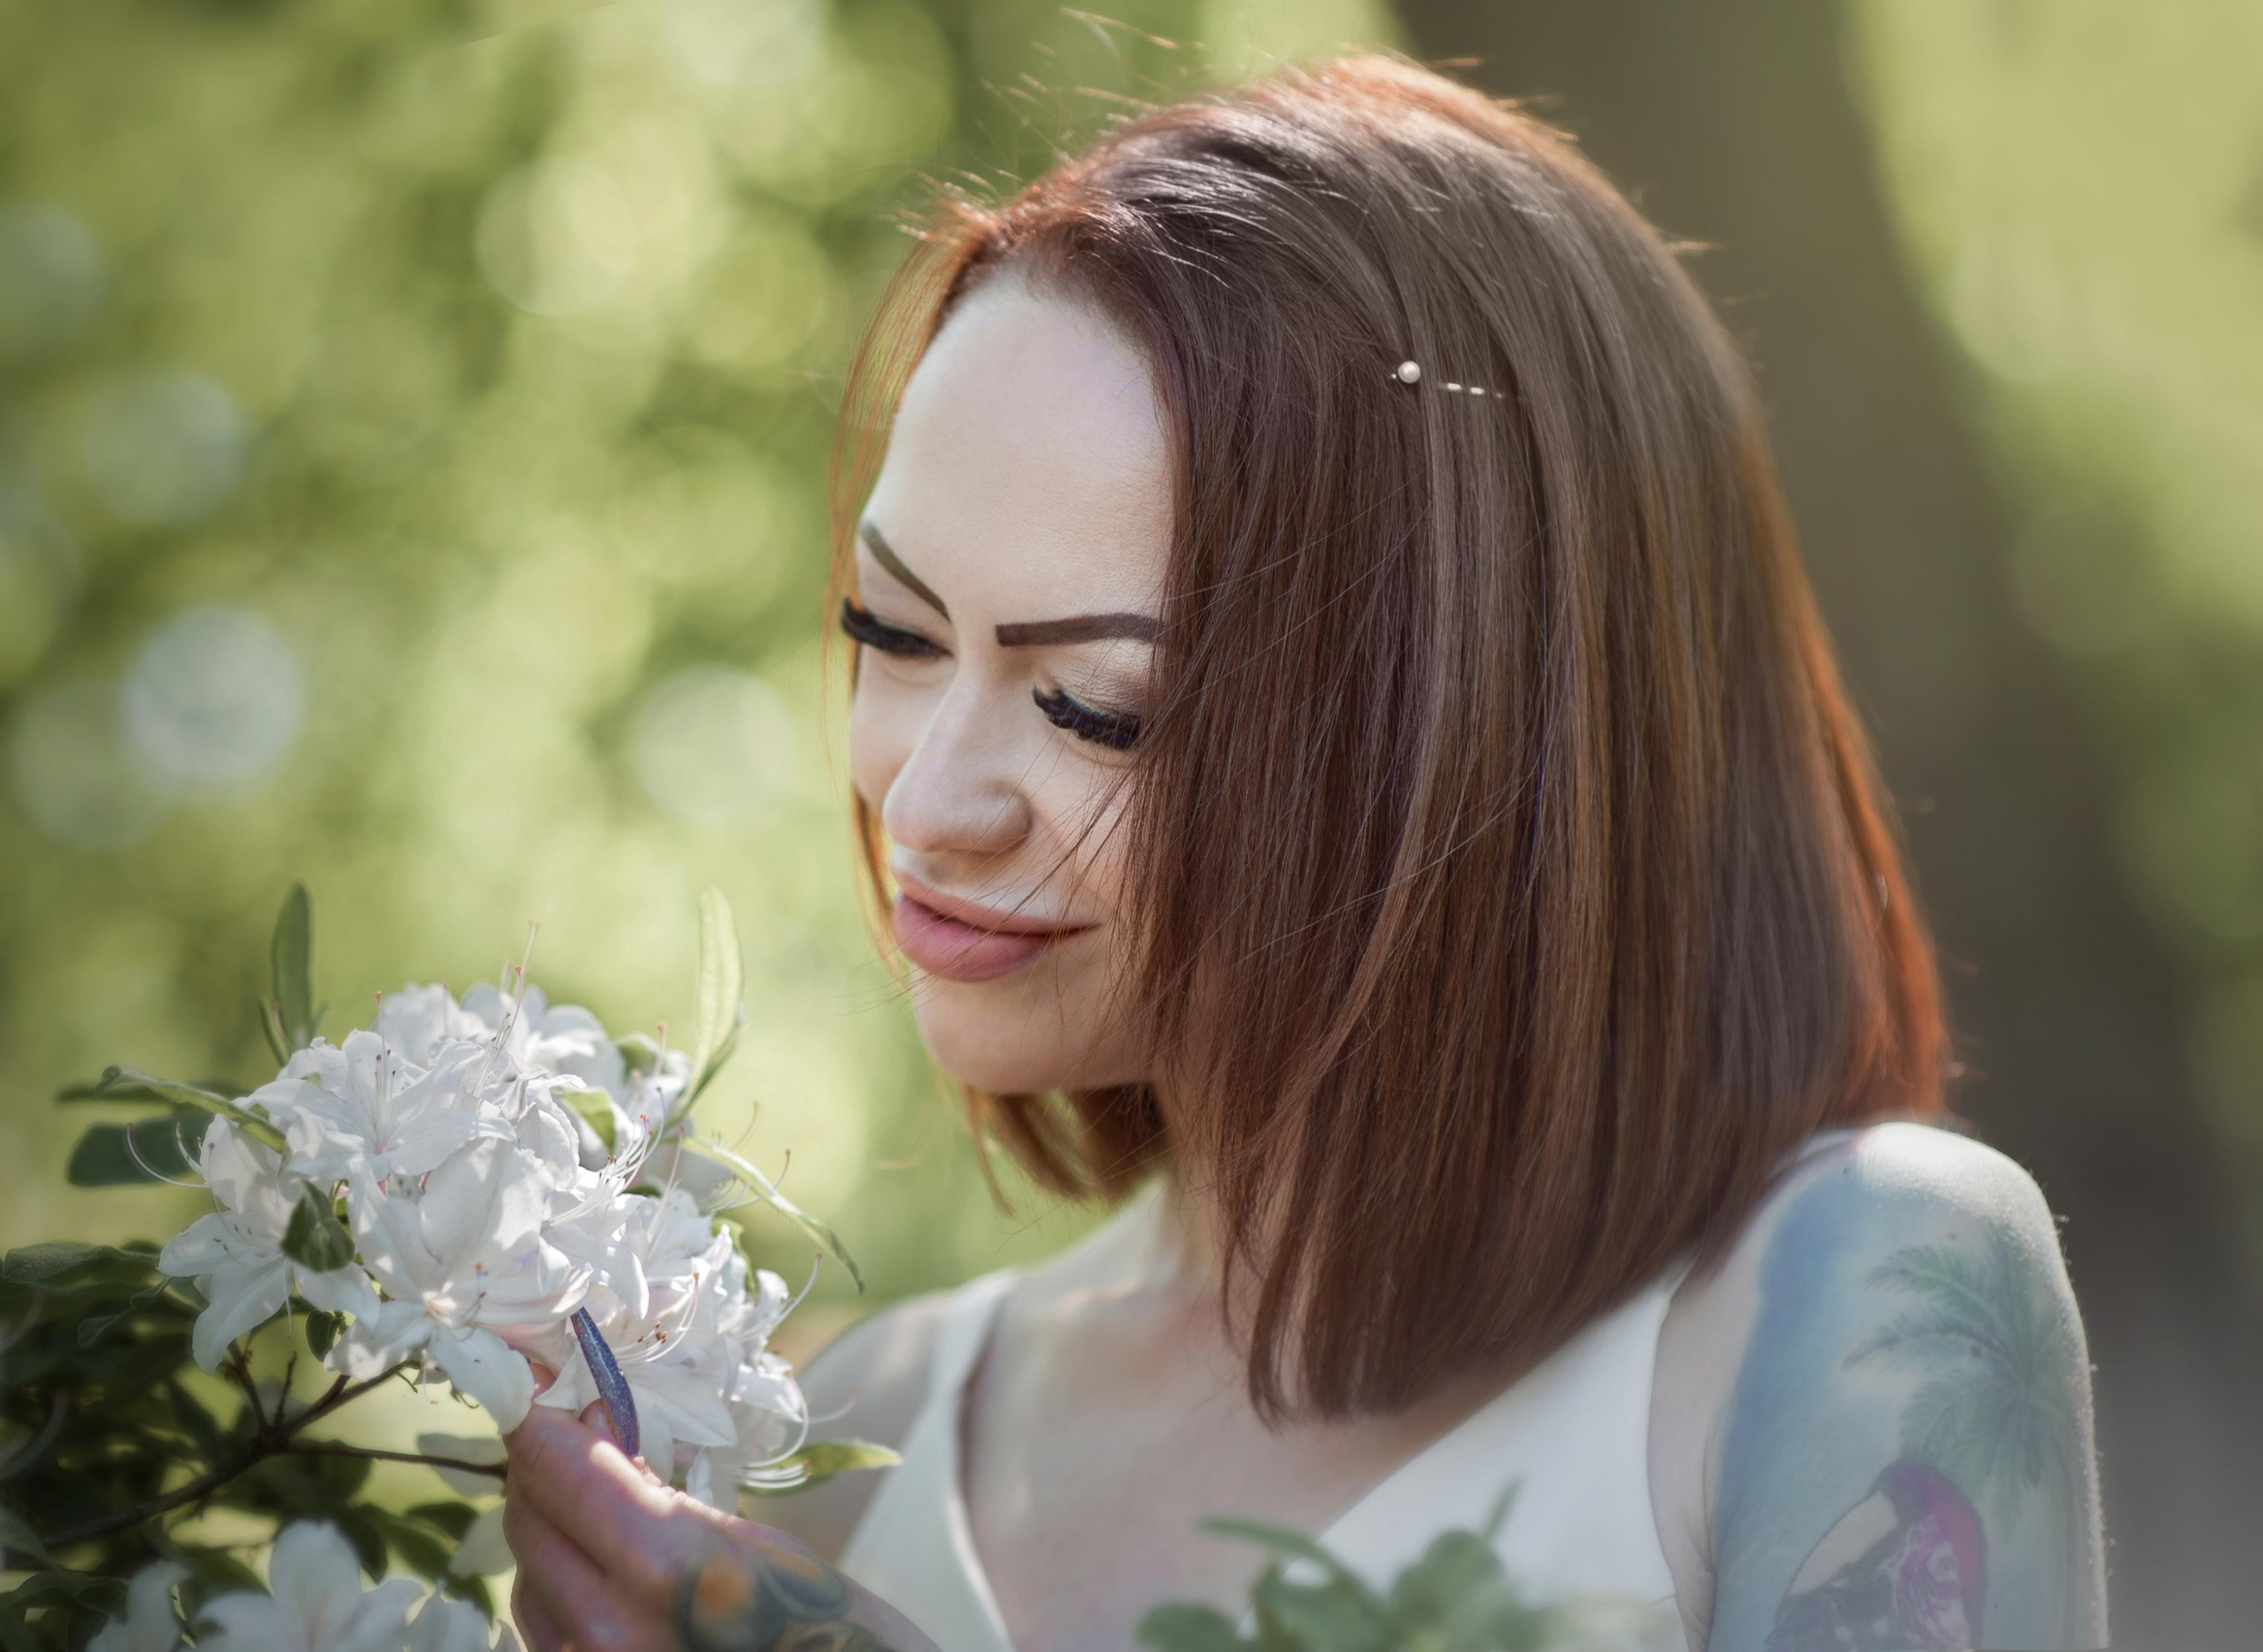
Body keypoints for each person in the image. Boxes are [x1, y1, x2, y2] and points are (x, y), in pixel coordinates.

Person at [500, 55, 2106, 1652]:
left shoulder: (1856, 1302)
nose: (925, 802)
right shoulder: (836, 1441)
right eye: (891, 631)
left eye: (1091, 706)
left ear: (1473, 731)